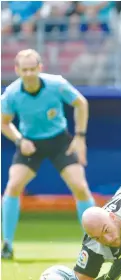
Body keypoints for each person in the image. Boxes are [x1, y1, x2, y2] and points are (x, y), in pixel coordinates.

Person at [1, 49, 95, 260]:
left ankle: (94, 242)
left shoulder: (56, 84)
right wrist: (19, 140)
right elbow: (4, 123)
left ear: (40, 68)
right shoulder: (11, 94)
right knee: (13, 186)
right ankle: (6, 244)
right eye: (24, 70)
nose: (28, 74)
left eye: (32, 69)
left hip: (60, 141)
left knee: (80, 187)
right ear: (17, 70)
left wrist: (79, 137)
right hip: (30, 144)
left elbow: (81, 103)